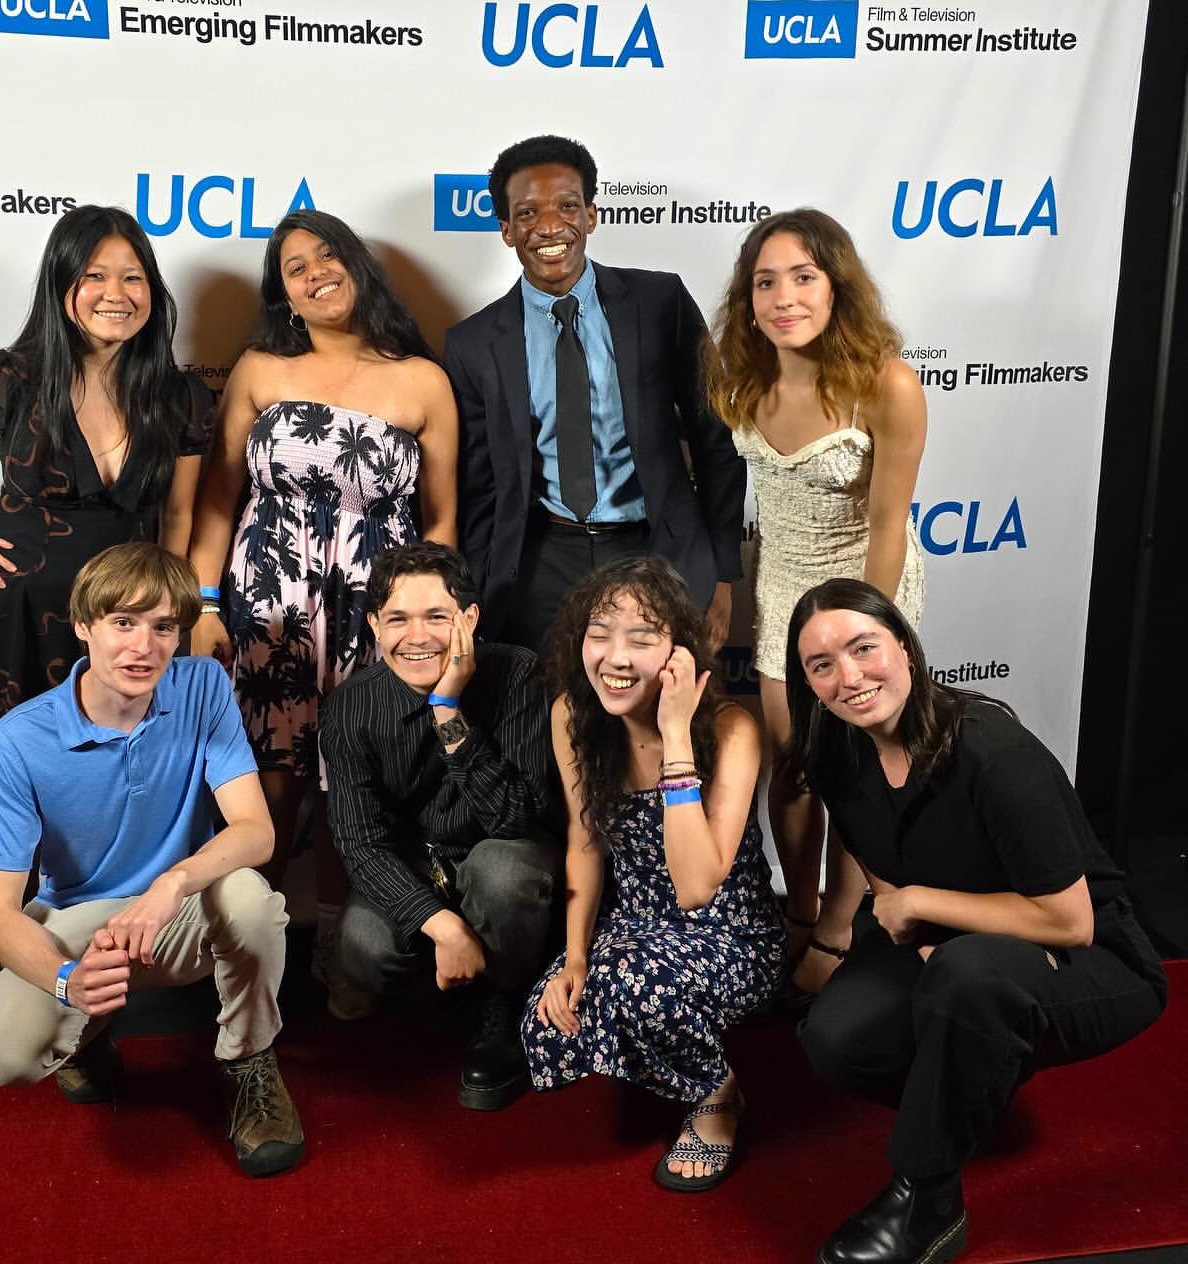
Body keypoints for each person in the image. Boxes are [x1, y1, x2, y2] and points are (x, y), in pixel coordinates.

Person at [785, 579, 1166, 1263]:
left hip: (1092, 954)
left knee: (971, 976)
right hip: (954, 947)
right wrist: (913, 925)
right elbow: (879, 863)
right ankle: (975, 1078)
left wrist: (924, 911)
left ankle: (926, 1198)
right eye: (821, 665)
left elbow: (1070, 920)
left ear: (903, 647)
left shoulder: (994, 752)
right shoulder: (838, 754)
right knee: (834, 1040)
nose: (849, 677)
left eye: (863, 647)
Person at [0, 542, 304, 1178]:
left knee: (251, 900)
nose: (143, 647)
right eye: (123, 622)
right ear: (84, 626)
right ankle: (86, 1036)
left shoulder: (202, 687)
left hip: (176, 916)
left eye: (163, 628)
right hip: (83, 925)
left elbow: (256, 833)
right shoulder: (21, 737)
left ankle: (249, 1061)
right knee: (11, 1057)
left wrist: (172, 884)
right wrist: (67, 981)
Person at [188, 210, 458, 971]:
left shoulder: (422, 380)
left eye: (328, 254)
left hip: (379, 614)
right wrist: (205, 608)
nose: (315, 272)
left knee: (355, 793)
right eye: (295, 266)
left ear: (358, 266)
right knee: (267, 793)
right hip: (268, 606)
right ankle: (246, 959)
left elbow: (441, 523)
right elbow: (214, 501)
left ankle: (343, 957)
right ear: (285, 294)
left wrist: (436, 624)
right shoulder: (258, 370)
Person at [0, 205, 211, 797]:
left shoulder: (180, 396)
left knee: (105, 824)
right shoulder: (11, 378)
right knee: (18, 834)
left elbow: (180, 514)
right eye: (95, 276)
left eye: (133, 277)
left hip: (121, 632)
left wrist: (172, 611)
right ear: (62, 286)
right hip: (8, 625)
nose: (117, 293)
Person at [707, 208, 927, 995]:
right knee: (793, 770)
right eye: (766, 281)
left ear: (836, 286)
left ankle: (838, 925)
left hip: (868, 587)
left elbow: (890, 520)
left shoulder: (886, 384)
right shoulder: (743, 376)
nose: (783, 296)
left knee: (859, 772)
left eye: (803, 276)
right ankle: (797, 911)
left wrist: (863, 629)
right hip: (779, 591)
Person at [522, 557, 784, 1191]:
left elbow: (697, 887)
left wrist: (675, 738)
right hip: (634, 924)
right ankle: (650, 1024)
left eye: (641, 638)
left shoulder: (730, 730)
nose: (615, 656)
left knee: (639, 993)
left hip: (728, 934)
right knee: (549, 1014)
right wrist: (576, 958)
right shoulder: (571, 716)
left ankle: (718, 1094)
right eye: (600, 633)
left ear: (679, 655)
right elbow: (583, 844)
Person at [444, 134, 744, 655]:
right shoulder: (472, 343)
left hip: (659, 550)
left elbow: (715, 439)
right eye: (528, 213)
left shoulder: (659, 302)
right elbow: (479, 487)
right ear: (507, 230)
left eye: (567, 206)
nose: (550, 227)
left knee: (658, 719)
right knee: (545, 720)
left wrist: (721, 573)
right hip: (539, 560)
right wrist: (476, 590)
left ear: (592, 216)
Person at [319, 542, 560, 1110]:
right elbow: (360, 843)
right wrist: (441, 926)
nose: (418, 636)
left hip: (502, 853)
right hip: (415, 865)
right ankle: (448, 985)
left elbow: (518, 816)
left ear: (469, 619)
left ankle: (505, 996)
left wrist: (448, 711)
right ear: (375, 625)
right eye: (398, 618)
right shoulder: (350, 706)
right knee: (360, 946)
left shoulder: (519, 673)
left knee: (504, 876)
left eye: (437, 616)